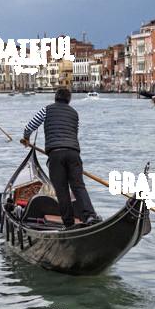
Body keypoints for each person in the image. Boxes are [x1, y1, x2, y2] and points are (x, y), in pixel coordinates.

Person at [20, 88, 100, 229]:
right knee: (78, 187)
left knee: (62, 190)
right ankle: (90, 216)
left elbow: (30, 126)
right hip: (73, 154)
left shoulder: (46, 110)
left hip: (56, 154)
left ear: (55, 98)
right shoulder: (74, 113)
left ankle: (69, 223)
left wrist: (26, 138)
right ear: (69, 100)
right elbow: (74, 132)